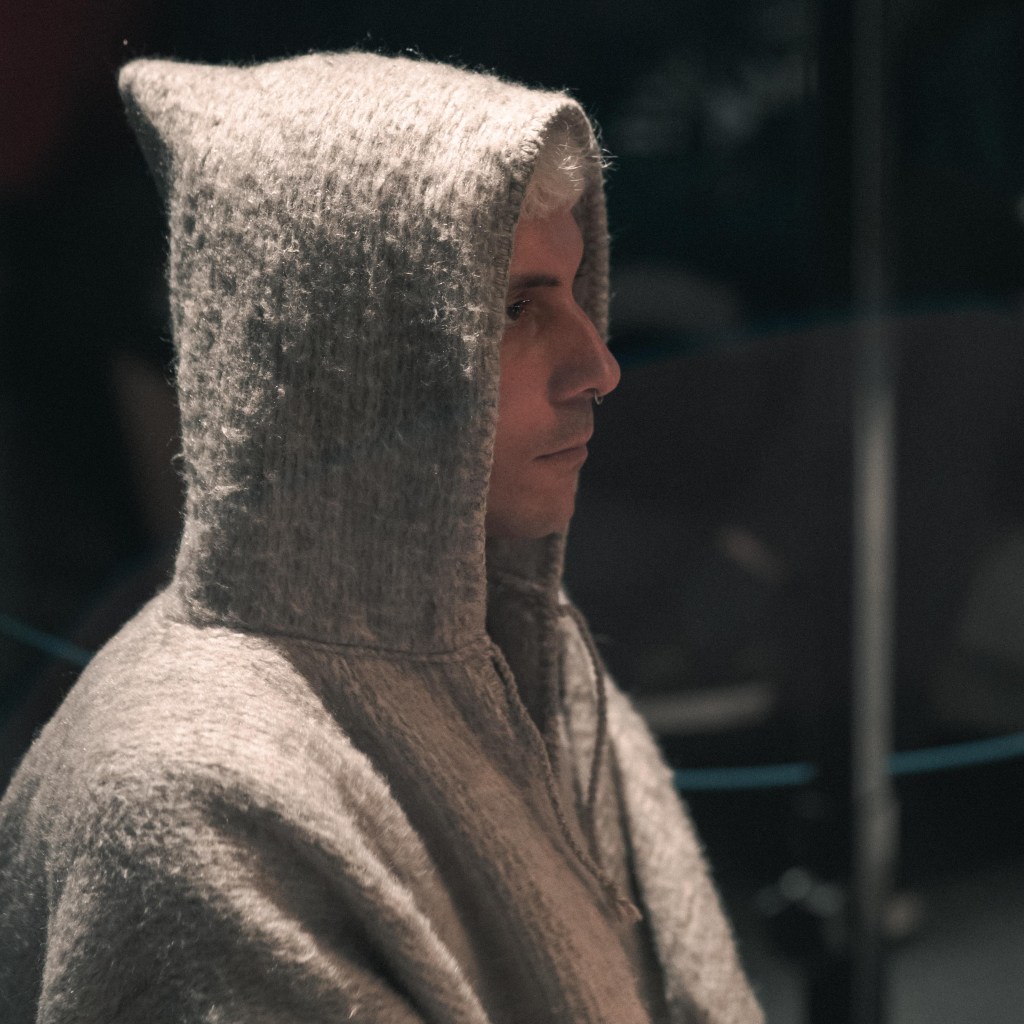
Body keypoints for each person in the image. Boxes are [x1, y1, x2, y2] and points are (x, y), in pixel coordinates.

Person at [0, 52, 762, 1023]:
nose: (599, 366)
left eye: (577, 292)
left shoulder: (531, 661)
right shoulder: (193, 798)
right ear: (349, 348)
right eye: (516, 309)